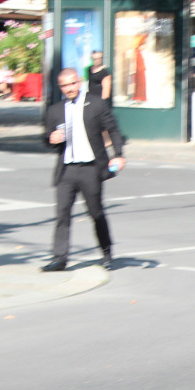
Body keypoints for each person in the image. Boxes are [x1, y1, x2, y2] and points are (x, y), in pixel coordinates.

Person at [41, 68, 126, 272]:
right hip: (67, 170)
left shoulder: (96, 104)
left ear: (79, 82)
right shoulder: (55, 110)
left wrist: (119, 154)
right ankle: (59, 258)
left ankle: (106, 252)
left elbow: (112, 129)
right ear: (60, 87)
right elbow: (47, 138)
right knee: (62, 213)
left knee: (95, 213)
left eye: (72, 83)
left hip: (90, 168)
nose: (69, 88)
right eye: (64, 85)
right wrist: (51, 139)